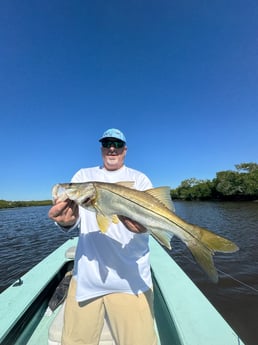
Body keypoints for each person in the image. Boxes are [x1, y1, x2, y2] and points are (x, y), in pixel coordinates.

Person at [48, 128, 158, 345]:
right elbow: (74, 219)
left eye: (117, 144)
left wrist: (143, 227)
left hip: (131, 280)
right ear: (101, 148)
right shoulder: (83, 176)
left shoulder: (140, 179)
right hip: (86, 279)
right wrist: (66, 221)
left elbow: (148, 223)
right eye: (107, 143)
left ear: (125, 150)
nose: (111, 148)